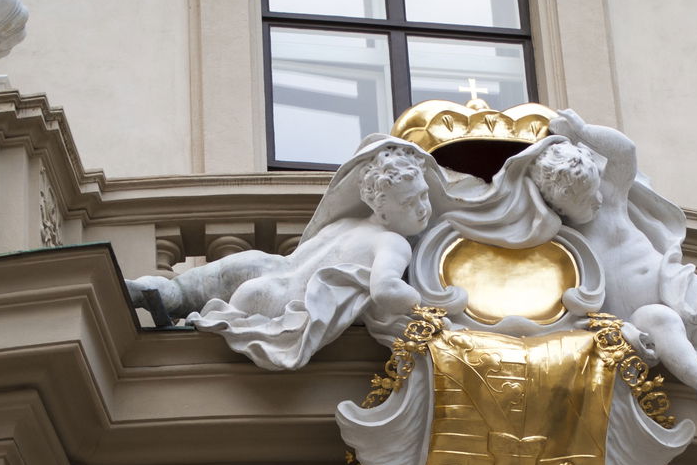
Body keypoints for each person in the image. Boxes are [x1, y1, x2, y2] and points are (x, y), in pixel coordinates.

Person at [544, 110, 697, 455]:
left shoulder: (610, 200)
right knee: (661, 321)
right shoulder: (557, 233)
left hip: (679, 289)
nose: (594, 201)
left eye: (592, 190)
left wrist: (584, 132)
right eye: (582, 200)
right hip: (638, 316)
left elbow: (624, 152)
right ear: (557, 203)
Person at [126, 137, 456, 369]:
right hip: (276, 303)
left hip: (260, 268)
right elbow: (385, 289)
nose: (424, 209)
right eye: (410, 203)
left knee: (188, 289)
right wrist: (436, 309)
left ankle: (155, 290)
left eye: (424, 196)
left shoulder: (341, 226)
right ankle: (163, 292)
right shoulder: (392, 242)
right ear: (383, 212)